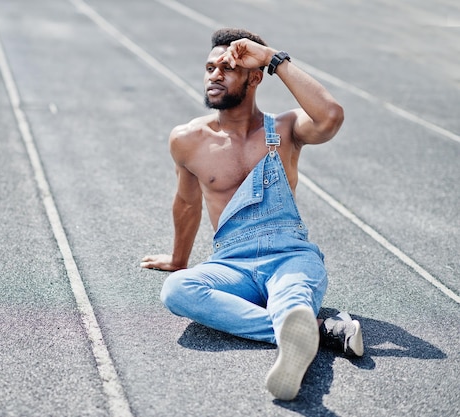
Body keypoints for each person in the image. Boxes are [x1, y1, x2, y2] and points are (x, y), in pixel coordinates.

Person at [141, 28, 364, 401]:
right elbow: (186, 202)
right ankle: (316, 331)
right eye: (209, 67)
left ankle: (296, 329)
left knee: (290, 298)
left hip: (290, 258)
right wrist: (179, 260)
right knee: (178, 290)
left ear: (254, 76)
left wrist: (273, 56)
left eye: (227, 67)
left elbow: (331, 116)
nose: (214, 74)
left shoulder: (286, 129)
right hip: (232, 263)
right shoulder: (187, 138)